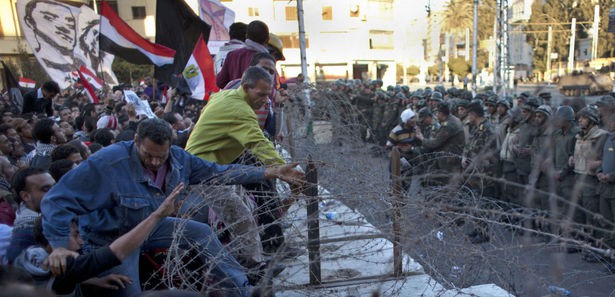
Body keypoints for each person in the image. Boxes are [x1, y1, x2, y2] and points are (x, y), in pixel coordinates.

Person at [41, 118, 304, 297]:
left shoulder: (180, 160)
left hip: (153, 225)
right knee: (129, 289)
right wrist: (60, 244)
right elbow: (57, 199)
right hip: (115, 239)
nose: (155, 162)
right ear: (136, 141)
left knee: (201, 232)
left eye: (161, 156)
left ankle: (244, 289)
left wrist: (270, 172)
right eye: (148, 155)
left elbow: (222, 172)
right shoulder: (107, 163)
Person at [216, 20, 270, 89]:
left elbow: (220, 82)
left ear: (246, 36)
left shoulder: (232, 55)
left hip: (234, 98)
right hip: (257, 99)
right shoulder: (267, 60)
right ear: (267, 39)